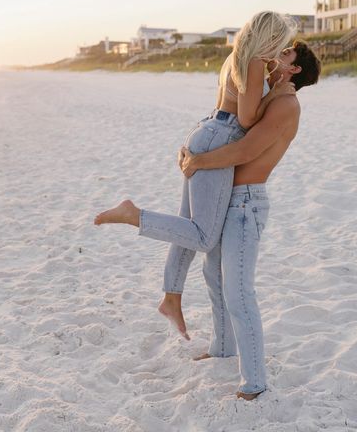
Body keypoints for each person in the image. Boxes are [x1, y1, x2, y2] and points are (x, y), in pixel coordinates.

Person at [94, 41, 321, 400]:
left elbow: (246, 150)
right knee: (214, 278)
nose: (276, 54)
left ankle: (255, 384)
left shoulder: (286, 104)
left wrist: (199, 162)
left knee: (239, 294)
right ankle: (221, 349)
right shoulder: (273, 98)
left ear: (293, 70)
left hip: (246, 205)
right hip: (231, 197)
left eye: (285, 53)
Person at [94, 12, 297, 340]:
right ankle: (135, 215)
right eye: (281, 40)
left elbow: (232, 104)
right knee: (203, 236)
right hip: (222, 134)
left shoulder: (236, 57)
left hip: (206, 128)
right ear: (269, 37)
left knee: (187, 223)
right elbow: (245, 119)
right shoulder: (256, 61)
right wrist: (275, 94)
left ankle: (171, 297)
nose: (282, 47)